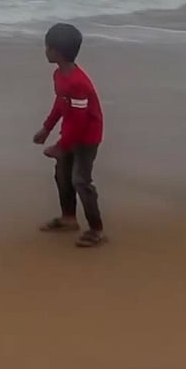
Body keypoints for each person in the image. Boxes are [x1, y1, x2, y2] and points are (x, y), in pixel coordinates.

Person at [32, 22, 106, 247]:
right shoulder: (59, 75)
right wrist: (47, 127)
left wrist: (62, 146)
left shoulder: (78, 83)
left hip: (87, 137)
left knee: (80, 180)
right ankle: (69, 218)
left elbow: (81, 120)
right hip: (71, 132)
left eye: (47, 47)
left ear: (57, 52)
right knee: (62, 174)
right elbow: (61, 104)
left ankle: (96, 229)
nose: (45, 51)